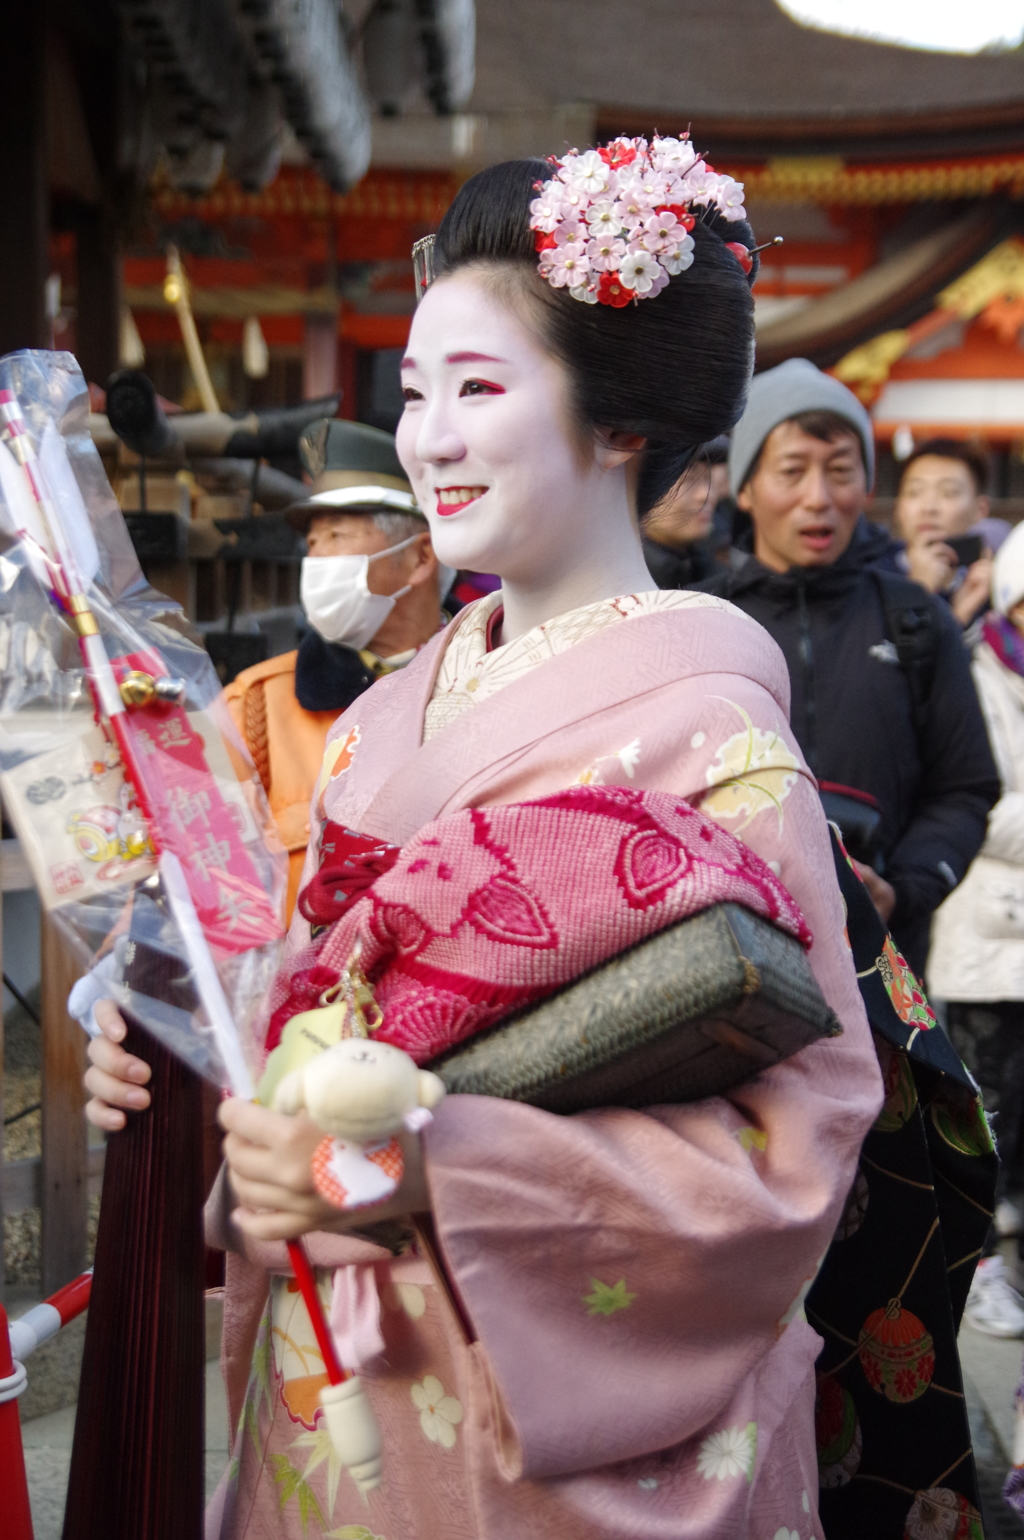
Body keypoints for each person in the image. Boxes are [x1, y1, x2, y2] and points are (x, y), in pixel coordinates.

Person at [84, 147, 882, 1539]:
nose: (430, 439)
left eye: (480, 390)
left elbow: (790, 1151)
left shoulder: (713, 729)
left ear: (619, 420)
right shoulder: (386, 718)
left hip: (559, 1441)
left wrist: (428, 1165)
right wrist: (179, 1050)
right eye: (414, 394)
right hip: (339, 1391)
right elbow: (313, 1020)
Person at [698, 357, 1000, 977]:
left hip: (885, 962)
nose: (819, 498)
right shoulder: (702, 621)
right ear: (747, 488)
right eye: (792, 471)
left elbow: (964, 788)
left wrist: (904, 888)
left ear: (865, 484)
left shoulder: (915, 618)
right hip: (728, 956)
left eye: (840, 472)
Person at [224, 419, 452, 920]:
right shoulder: (254, 707)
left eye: (337, 535)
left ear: (419, 558)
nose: (318, 558)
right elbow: (194, 870)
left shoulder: (494, 682)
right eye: (313, 543)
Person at [928, 521, 1024, 1337]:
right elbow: (977, 801)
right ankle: (987, 1260)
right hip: (988, 945)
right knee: (994, 1108)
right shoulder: (977, 672)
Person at [895, 437, 995, 629]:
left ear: (980, 509)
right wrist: (918, 592)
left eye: (949, 492)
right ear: (899, 506)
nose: (929, 507)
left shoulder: (991, 589)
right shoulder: (869, 577)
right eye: (914, 492)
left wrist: (962, 615)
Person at [640, 437, 728, 586]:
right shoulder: (623, 584)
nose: (706, 495)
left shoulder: (717, 576)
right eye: (689, 479)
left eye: (707, 478)